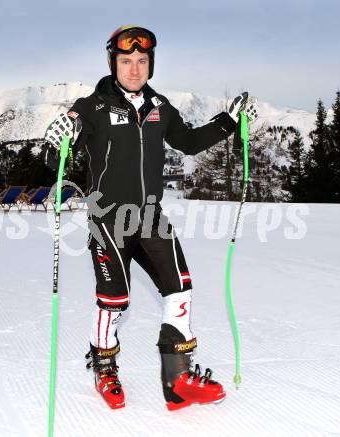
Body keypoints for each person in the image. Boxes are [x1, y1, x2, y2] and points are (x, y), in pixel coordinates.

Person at [44, 25, 258, 411]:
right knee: (114, 300)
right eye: (126, 61)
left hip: (150, 217)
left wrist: (229, 121)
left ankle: (178, 380)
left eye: (142, 61)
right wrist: (59, 136)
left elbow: (189, 141)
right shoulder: (90, 107)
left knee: (180, 288)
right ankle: (104, 368)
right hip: (108, 218)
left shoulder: (159, 106)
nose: (134, 69)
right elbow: (57, 155)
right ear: (113, 63)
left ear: (150, 64)